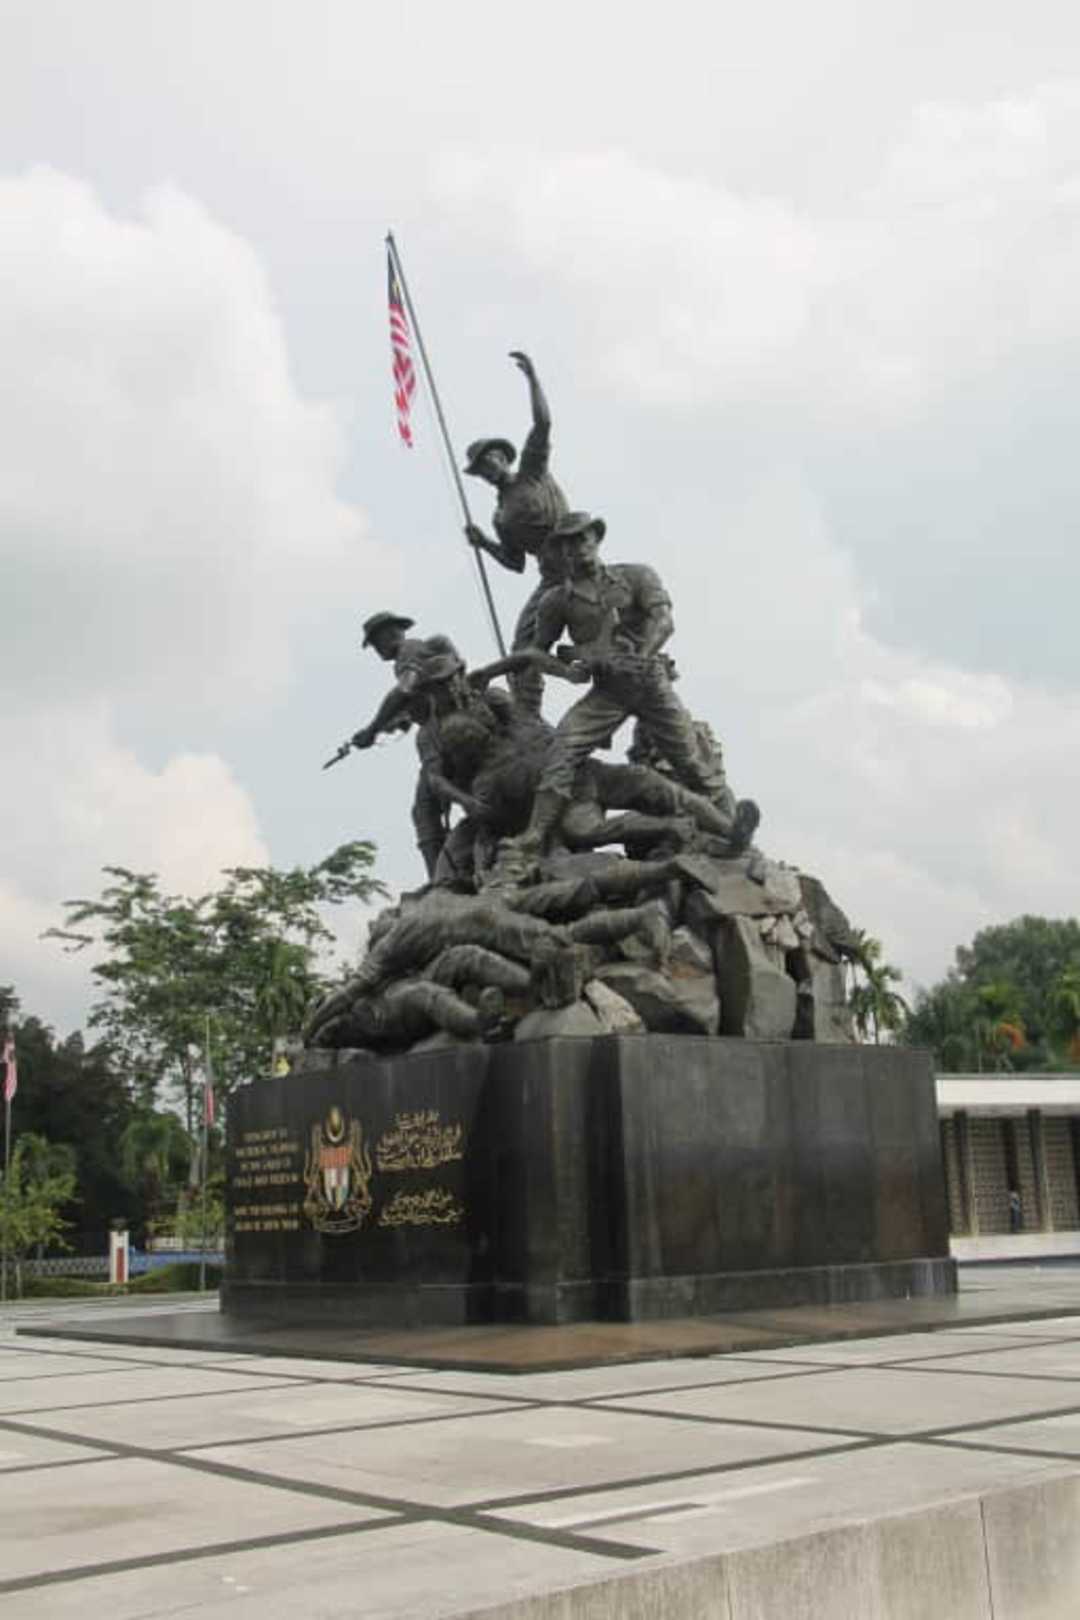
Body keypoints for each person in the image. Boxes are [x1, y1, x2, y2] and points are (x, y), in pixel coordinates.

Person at [511, 512, 755, 854]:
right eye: (566, 543)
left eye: (582, 538)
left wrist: (642, 654)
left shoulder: (636, 576)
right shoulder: (556, 601)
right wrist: (567, 672)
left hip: (650, 683)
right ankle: (535, 833)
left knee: (692, 764)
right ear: (560, 552)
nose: (576, 548)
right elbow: (536, 653)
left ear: (596, 539)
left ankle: (736, 836)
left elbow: (664, 620)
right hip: (608, 691)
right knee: (563, 749)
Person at [462, 351, 569, 713]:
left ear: (504, 457)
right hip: (549, 577)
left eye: (491, 459)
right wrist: (484, 543)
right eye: (481, 467)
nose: (488, 467)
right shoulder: (500, 517)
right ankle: (528, 716)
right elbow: (515, 563)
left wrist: (532, 379)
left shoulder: (532, 471)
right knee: (522, 646)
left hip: (577, 557)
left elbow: (543, 424)